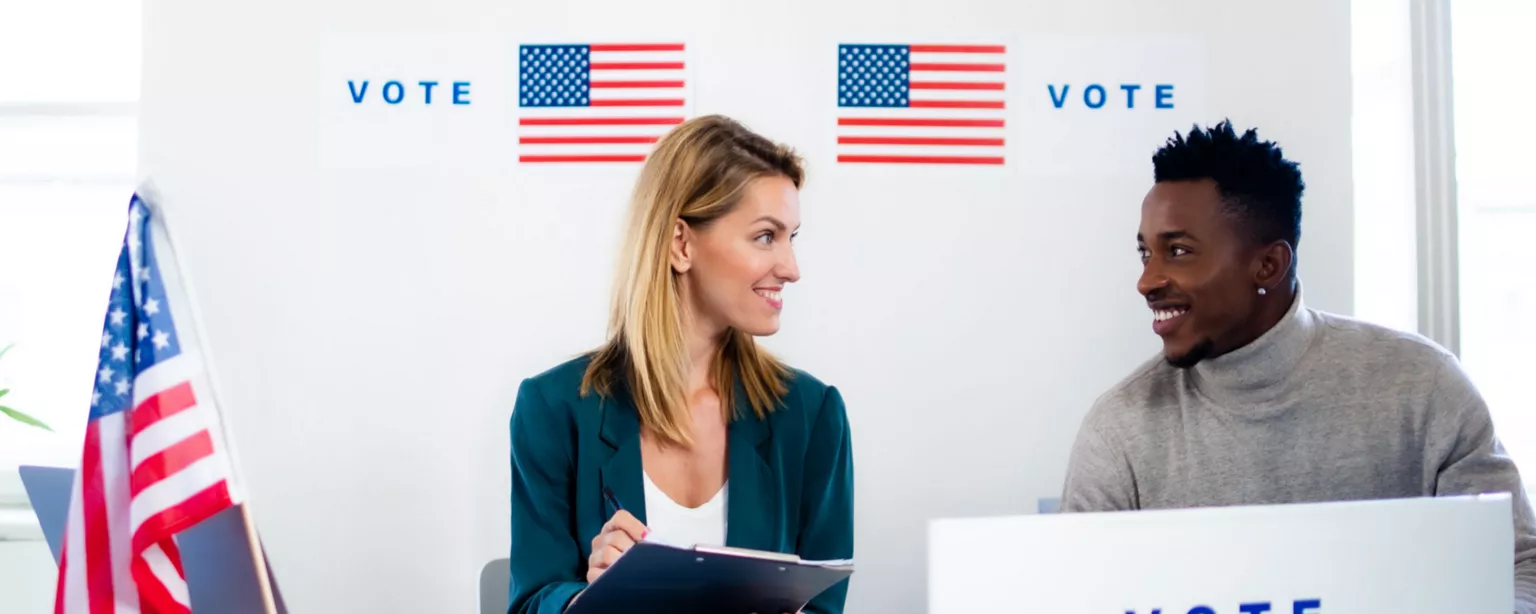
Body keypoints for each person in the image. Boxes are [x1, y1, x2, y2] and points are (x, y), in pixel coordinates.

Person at [1059, 120, 1536, 610]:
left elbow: (1516, 568)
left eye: (1178, 251)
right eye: (1146, 252)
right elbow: (1076, 600)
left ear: (1268, 265)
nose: (1147, 280)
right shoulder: (1118, 429)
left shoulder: (1423, 388)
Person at [506, 115, 854, 614]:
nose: (791, 269)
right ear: (681, 244)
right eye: (764, 237)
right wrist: (588, 599)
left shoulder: (813, 416)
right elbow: (529, 602)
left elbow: (825, 606)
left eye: (790, 237)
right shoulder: (553, 409)